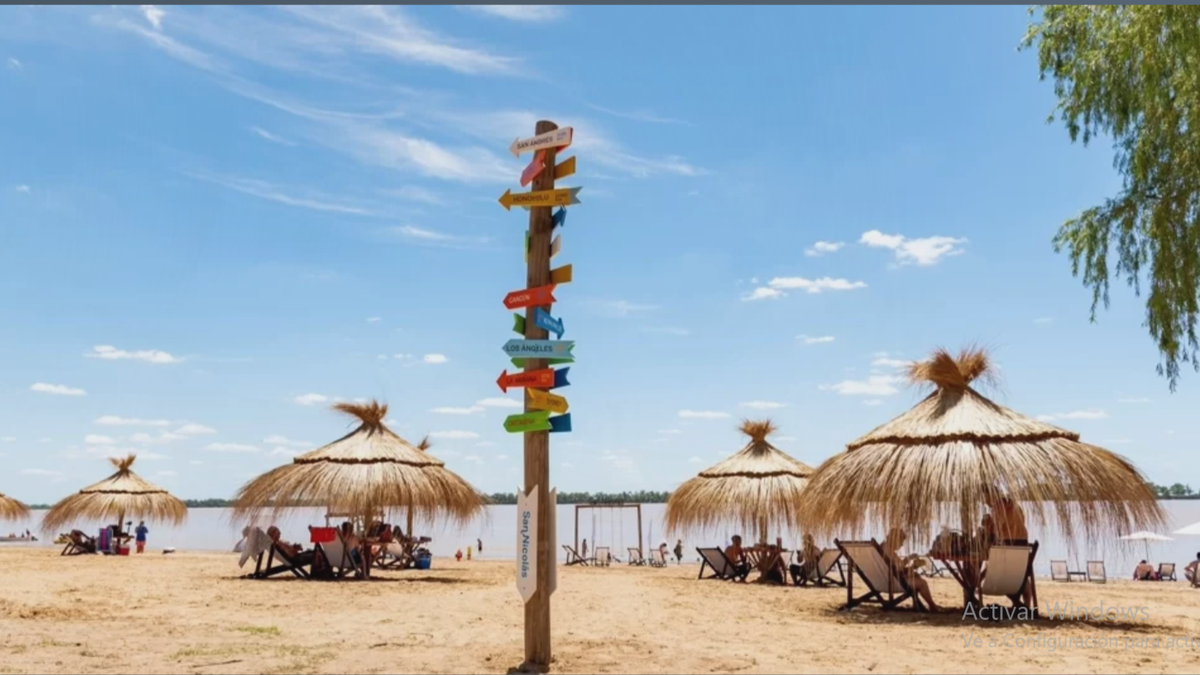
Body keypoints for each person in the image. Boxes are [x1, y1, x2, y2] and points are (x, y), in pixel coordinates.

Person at [882, 528, 940, 611]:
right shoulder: (887, 551)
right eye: (901, 542)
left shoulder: (884, 548)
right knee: (922, 583)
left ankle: (917, 604)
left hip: (885, 580)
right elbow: (898, 567)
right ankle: (932, 606)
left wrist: (913, 567)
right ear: (895, 539)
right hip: (892, 582)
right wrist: (908, 559)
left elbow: (895, 568)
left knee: (915, 575)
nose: (901, 545)